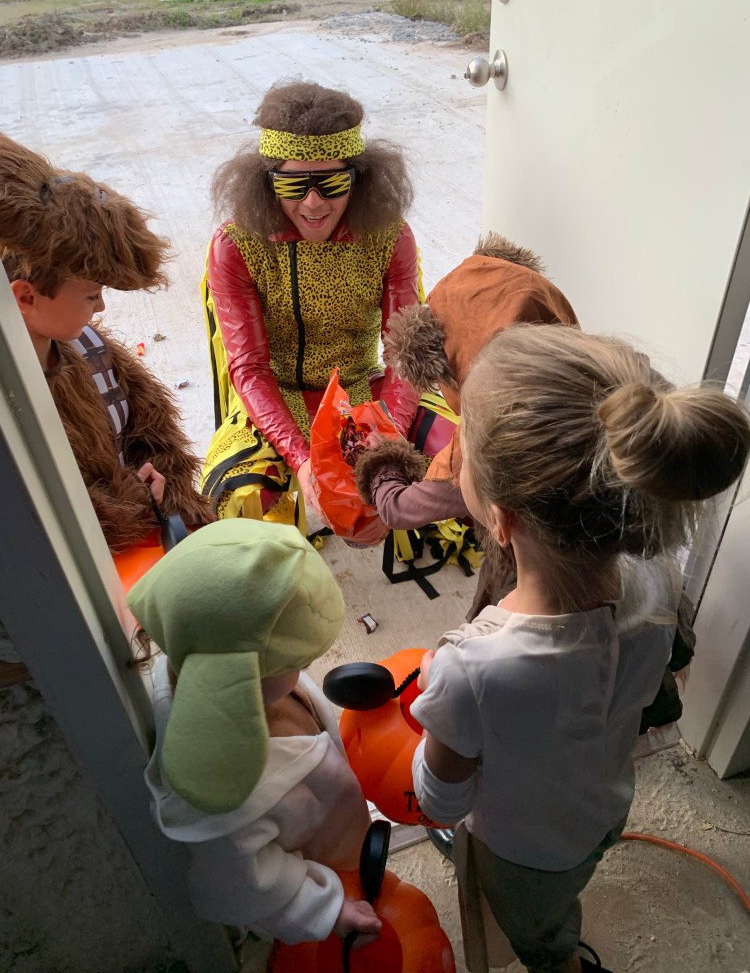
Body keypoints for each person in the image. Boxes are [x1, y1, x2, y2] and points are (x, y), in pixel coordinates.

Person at [408, 324, 750, 973]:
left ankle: (557, 960)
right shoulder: (659, 586)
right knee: (569, 880)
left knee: (537, 928)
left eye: (463, 450)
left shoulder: (468, 670)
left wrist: (438, 708)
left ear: (501, 518)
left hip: (525, 852)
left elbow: (439, 800)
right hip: (604, 808)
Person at [129, 519, 379, 952]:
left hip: (330, 826)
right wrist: (327, 909)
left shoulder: (201, 649)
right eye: (296, 663)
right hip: (317, 866)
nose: (303, 671)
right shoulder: (226, 804)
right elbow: (244, 881)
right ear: (242, 676)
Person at [201, 79, 421, 528]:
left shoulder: (392, 237)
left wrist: (389, 439)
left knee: (458, 458)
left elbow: (405, 355)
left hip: (364, 388)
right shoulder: (234, 246)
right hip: (275, 396)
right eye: (292, 184)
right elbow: (250, 369)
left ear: (360, 180)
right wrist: (301, 458)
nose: (314, 202)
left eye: (333, 182)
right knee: (240, 497)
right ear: (266, 184)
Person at [0, 132, 214, 555]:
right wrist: (136, 500)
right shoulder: (13, 397)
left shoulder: (90, 346)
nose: (100, 306)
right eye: (91, 294)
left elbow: (152, 431)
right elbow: (46, 519)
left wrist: (165, 484)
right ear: (25, 297)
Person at [355, 233, 577, 605]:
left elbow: (397, 507)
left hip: (527, 594)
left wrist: (381, 461)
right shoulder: (598, 398)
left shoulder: (485, 448)